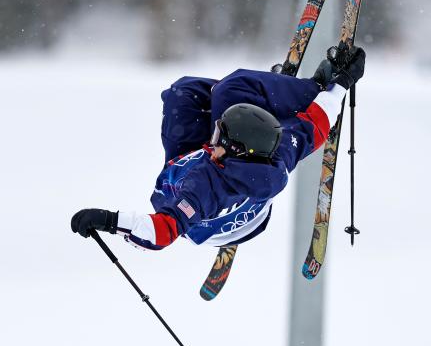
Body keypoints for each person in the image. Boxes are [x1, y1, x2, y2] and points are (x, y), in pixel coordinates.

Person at [71, 45, 365, 250]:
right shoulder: (277, 156)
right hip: (227, 199)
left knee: (187, 96)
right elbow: (314, 125)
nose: (212, 142)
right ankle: (270, 98)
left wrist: (109, 221)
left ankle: (265, 96)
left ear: (236, 150)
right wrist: (340, 83)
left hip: (189, 196)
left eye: (217, 138)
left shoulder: (203, 186)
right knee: (215, 92)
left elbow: (161, 233)